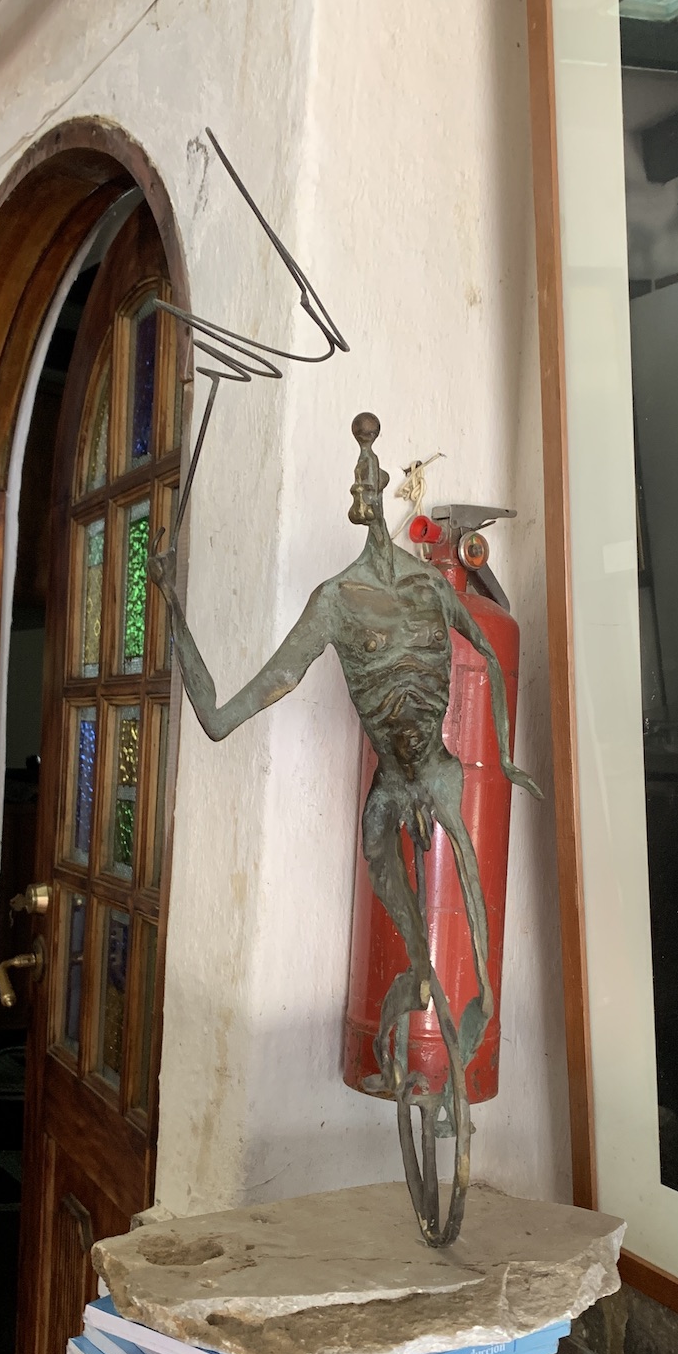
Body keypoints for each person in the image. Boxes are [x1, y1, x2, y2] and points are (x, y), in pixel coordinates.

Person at [148, 413, 541, 1243]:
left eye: (367, 482)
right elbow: (222, 715)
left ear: (372, 496)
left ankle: (451, 1062)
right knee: (422, 942)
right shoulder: (340, 601)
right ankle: (416, 1021)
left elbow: (490, 655)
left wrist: (504, 764)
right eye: (361, 484)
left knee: (473, 942)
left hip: (439, 776)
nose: (364, 492)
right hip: (394, 790)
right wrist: (174, 608)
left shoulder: (428, 590)